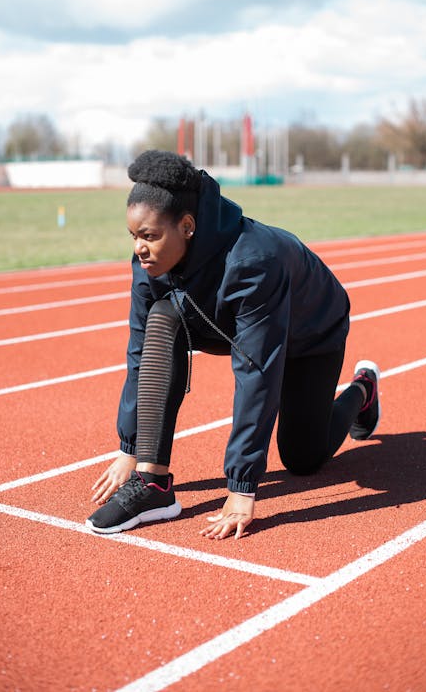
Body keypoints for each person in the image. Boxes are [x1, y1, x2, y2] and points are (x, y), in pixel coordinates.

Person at [86, 150, 381, 540]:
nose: (140, 247)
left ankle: (363, 388)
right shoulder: (150, 262)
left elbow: (257, 373)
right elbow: (141, 349)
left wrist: (242, 487)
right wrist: (131, 446)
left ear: (187, 227)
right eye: (134, 236)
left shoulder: (253, 263)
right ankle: (153, 483)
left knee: (303, 459)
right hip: (226, 321)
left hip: (311, 332)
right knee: (162, 317)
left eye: (150, 236)